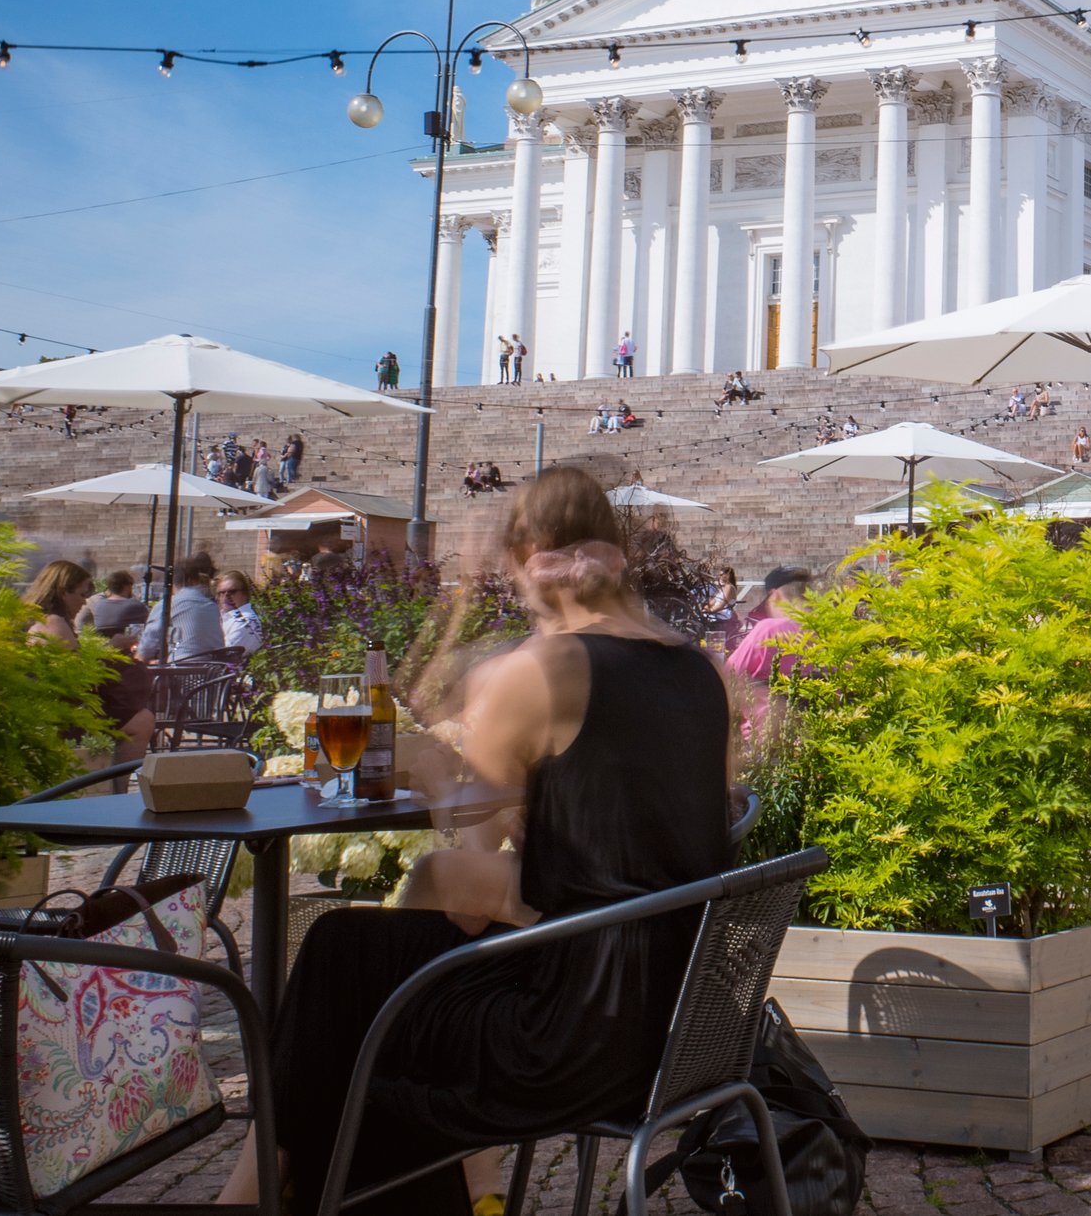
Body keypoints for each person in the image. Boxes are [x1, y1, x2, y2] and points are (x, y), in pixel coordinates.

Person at [217, 466, 729, 1216]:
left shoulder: (548, 668)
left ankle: (265, 1189)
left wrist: (428, 770)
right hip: (675, 1016)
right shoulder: (695, 667)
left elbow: (471, 831)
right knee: (360, 960)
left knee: (339, 961)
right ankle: (354, 1187)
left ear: (527, 554)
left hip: (571, 1035)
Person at [27, 558, 157, 757]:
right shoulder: (54, 623)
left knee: (135, 715)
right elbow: (78, 676)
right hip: (60, 716)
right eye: (82, 593)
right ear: (63, 591)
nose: (85, 601)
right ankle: (115, 785)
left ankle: (110, 783)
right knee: (142, 721)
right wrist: (111, 648)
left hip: (49, 709)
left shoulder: (40, 619)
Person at [723, 567, 815, 743]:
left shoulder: (768, 631)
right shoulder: (830, 633)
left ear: (775, 596)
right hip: (815, 740)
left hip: (762, 741)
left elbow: (727, 678)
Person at [137, 553, 229, 663]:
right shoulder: (212, 606)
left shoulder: (168, 604)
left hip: (181, 672)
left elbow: (146, 648)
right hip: (213, 672)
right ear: (196, 579)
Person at [77, 565, 149, 644]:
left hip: (104, 648)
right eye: (131, 584)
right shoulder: (136, 606)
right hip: (128, 647)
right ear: (126, 586)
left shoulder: (99, 605)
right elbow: (148, 625)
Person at [215, 570, 265, 658]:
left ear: (245, 594)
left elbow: (225, 654)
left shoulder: (246, 621)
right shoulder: (224, 617)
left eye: (232, 591)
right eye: (222, 593)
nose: (226, 596)